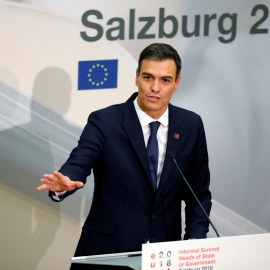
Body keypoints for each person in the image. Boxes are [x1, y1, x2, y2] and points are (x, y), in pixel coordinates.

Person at [37, 43, 212, 269]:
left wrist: (194, 247)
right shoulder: (105, 121)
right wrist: (65, 182)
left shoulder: (191, 125)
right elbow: (79, 161)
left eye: (165, 80)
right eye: (148, 77)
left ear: (177, 83)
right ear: (137, 76)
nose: (155, 88)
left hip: (165, 257)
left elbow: (199, 195)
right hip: (108, 253)